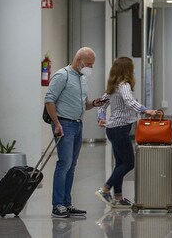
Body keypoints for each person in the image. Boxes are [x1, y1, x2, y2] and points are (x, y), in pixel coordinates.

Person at [44, 47, 107, 218]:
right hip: (64, 124)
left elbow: (84, 104)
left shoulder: (82, 79)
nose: (90, 68)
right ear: (79, 60)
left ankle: (66, 203)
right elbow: (49, 100)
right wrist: (56, 124)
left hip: (78, 124)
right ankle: (57, 205)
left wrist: (94, 103)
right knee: (64, 163)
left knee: (71, 166)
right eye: (88, 64)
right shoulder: (62, 76)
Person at [95, 57, 158, 208]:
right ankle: (105, 189)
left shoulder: (113, 86)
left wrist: (101, 117)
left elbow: (101, 104)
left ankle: (118, 197)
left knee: (120, 163)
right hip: (121, 129)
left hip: (112, 129)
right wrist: (145, 110)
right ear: (127, 70)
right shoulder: (124, 85)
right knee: (129, 163)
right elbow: (130, 101)